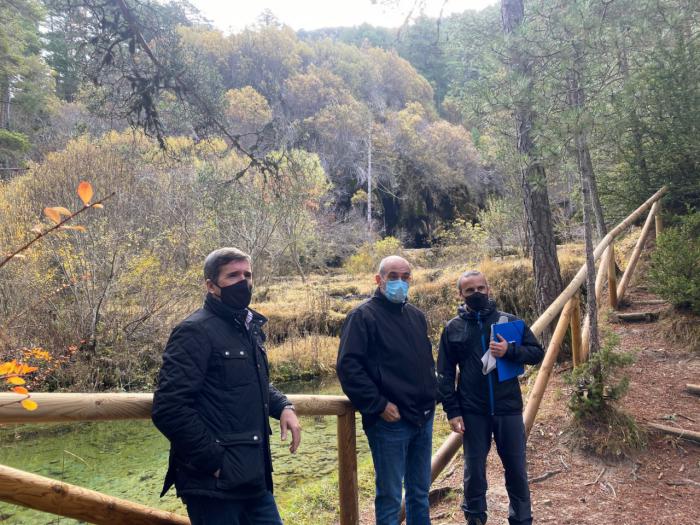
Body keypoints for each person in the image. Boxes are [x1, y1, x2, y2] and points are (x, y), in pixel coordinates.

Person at [152, 247, 301, 525]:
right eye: (233, 275)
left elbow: (251, 382)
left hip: (253, 478)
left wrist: (283, 405)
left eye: (247, 274)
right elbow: (169, 408)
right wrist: (216, 464)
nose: (243, 282)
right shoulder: (194, 331)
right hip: (214, 487)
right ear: (211, 285)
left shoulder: (247, 327)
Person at [337, 255, 438, 525]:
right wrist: (379, 405)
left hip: (423, 417)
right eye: (393, 276)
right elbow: (349, 368)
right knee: (390, 495)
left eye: (405, 277)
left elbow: (425, 362)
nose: (399, 282)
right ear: (378, 279)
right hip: (390, 422)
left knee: (419, 491)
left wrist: (433, 398)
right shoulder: (361, 316)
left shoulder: (416, 316)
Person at [437, 270, 543, 525]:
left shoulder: (509, 322)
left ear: (489, 289)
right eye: (470, 290)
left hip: (508, 409)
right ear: (461, 294)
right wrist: (453, 411)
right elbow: (444, 373)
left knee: (516, 470)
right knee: (474, 473)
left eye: (480, 288)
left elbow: (537, 353)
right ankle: (474, 519)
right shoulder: (453, 328)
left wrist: (511, 350)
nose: (477, 294)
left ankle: (521, 519)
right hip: (473, 412)